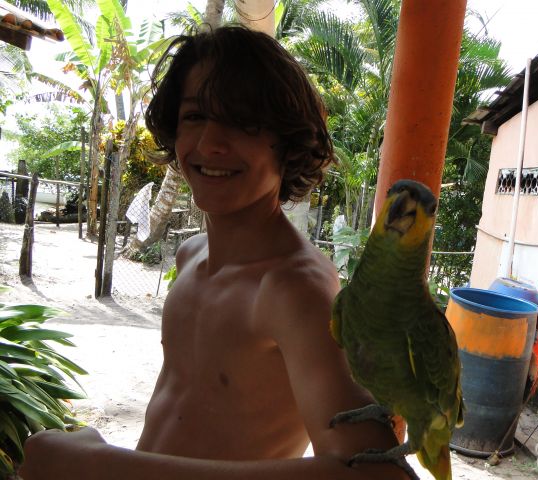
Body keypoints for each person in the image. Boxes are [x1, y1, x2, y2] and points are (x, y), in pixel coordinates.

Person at [19, 25, 406, 480]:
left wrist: (99, 463)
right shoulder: (192, 256)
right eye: (195, 116)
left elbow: (376, 473)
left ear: (288, 142)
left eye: (242, 121)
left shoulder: (292, 288)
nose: (209, 144)